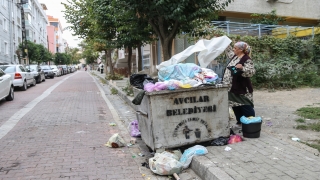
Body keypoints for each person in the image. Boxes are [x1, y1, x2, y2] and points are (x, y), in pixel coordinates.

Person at [223, 41, 256, 129]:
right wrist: (223, 40)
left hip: (241, 88)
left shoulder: (246, 59)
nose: (233, 49)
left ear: (240, 50)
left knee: (245, 104)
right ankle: (240, 122)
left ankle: (251, 123)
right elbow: (229, 51)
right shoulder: (235, 56)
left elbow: (251, 72)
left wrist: (242, 68)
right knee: (235, 105)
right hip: (232, 87)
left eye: (235, 48)